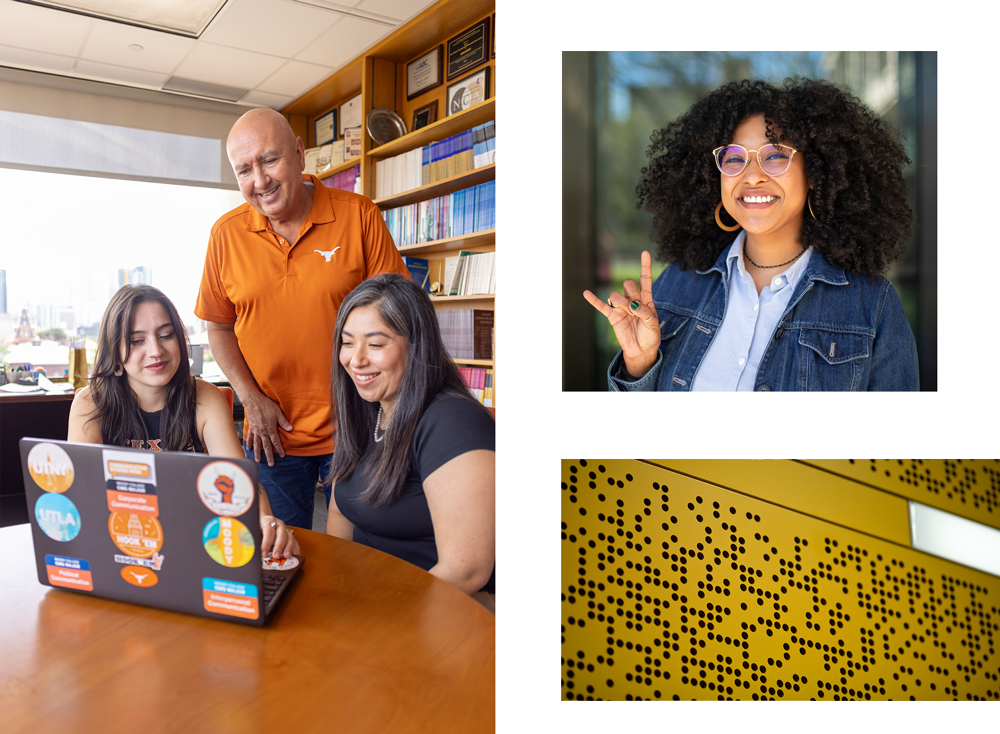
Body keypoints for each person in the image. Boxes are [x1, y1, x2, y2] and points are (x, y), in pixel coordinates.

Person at [583, 78, 919, 391]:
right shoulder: (676, 285)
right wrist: (639, 366)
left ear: (815, 172)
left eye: (774, 155)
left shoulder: (872, 306)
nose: (752, 176)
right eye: (734, 158)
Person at [195, 108, 410, 530]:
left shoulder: (360, 216)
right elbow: (218, 326)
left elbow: (400, 315)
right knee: (279, 555)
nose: (259, 181)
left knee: (359, 560)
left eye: (269, 160)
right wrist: (251, 400)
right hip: (270, 434)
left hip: (358, 428)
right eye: (244, 170)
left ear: (298, 153)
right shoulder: (225, 234)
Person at [68, 284, 298, 559]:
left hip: (195, 542)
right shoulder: (90, 403)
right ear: (114, 351)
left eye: (166, 335)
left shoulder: (205, 398)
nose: (156, 351)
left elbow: (238, 480)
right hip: (119, 542)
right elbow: (82, 496)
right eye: (137, 340)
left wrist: (265, 520)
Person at [324, 274, 496, 610]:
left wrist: (379, 614)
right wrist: (332, 589)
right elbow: (339, 512)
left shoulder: (452, 422)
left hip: (443, 607)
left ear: (416, 345)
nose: (356, 360)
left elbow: (467, 571)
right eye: (347, 343)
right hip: (373, 597)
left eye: (375, 344)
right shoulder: (366, 409)